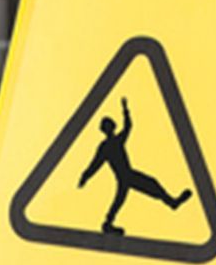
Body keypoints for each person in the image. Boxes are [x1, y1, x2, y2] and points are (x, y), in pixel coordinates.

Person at [76, 98, 193, 235]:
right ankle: (171, 202)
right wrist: (85, 176)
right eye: (108, 125)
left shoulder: (116, 141)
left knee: (132, 193)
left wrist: (125, 110)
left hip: (127, 175)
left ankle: (108, 223)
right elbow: (95, 164)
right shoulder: (106, 146)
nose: (111, 127)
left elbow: (128, 127)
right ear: (106, 129)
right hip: (126, 176)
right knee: (139, 189)